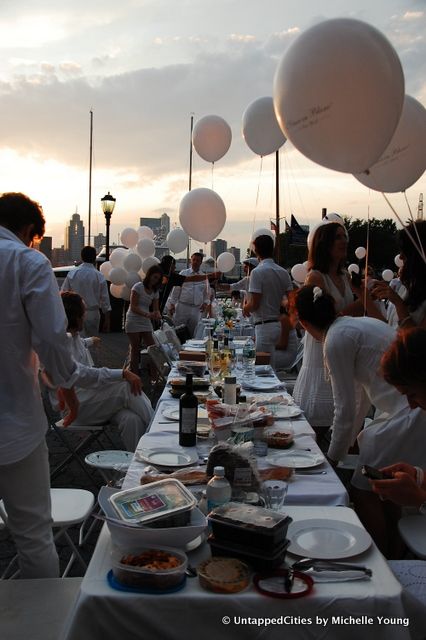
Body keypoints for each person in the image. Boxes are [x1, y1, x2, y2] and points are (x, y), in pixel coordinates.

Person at [294, 286, 426, 556]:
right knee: (388, 490)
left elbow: (345, 406)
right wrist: (346, 443)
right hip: (404, 407)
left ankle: (376, 556)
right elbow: (359, 398)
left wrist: (332, 459)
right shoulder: (352, 325)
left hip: (407, 411)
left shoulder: (336, 339)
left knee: (363, 489)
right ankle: (394, 553)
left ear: (304, 324)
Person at [0, 192, 80, 578]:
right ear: (29, 229)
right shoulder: (26, 261)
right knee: (33, 535)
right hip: (13, 422)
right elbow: (50, 338)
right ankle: (42, 613)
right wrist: (66, 384)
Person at [292, 222, 382, 431]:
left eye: (344, 237)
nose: (344, 241)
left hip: (345, 347)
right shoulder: (315, 277)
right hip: (322, 346)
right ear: (325, 244)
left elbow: (362, 316)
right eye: (338, 237)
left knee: (347, 412)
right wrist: (360, 304)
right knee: (320, 420)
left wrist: (364, 297)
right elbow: (315, 319)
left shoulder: (345, 276)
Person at [52, 292, 153, 452]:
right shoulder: (62, 342)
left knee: (131, 419)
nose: (85, 317)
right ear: (75, 317)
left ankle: (141, 461)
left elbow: (80, 345)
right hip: (73, 407)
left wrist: (90, 341)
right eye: (83, 313)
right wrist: (122, 373)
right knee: (126, 387)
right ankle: (158, 433)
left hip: (88, 399)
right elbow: (82, 374)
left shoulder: (73, 336)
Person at [243, 235, 292, 367]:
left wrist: (245, 308)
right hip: (278, 325)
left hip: (264, 326)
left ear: (256, 251)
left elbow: (255, 304)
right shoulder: (283, 272)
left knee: (262, 369)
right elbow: (291, 301)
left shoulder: (257, 272)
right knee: (270, 368)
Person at [373, 221, 426, 329]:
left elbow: (418, 338)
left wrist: (398, 303)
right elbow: (389, 328)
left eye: (405, 252)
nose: (400, 257)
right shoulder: (406, 286)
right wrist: (364, 296)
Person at [61, 245, 111, 336]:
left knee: (76, 340)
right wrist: (107, 319)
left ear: (82, 257)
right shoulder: (99, 275)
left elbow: (64, 293)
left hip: (75, 313)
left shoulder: (73, 273)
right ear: (94, 258)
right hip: (93, 313)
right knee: (92, 340)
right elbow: (105, 300)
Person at [125, 265, 163, 375]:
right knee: (135, 348)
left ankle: (154, 376)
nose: (155, 280)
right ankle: (134, 375)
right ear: (149, 275)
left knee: (153, 348)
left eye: (158, 279)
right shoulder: (138, 287)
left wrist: (158, 315)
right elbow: (133, 307)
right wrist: (147, 314)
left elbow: (156, 309)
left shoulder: (155, 291)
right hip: (133, 319)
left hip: (145, 319)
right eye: (154, 277)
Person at [168, 252, 210, 337]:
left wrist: (205, 303)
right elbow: (176, 290)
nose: (195, 262)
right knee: (178, 330)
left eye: (197, 260)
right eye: (194, 260)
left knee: (193, 332)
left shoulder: (203, 277)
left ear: (201, 262)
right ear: (191, 260)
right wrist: (172, 304)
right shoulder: (183, 273)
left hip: (196, 309)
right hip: (182, 307)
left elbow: (207, 293)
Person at [274, 300, 299, 371]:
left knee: (258, 357)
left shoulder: (284, 319)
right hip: (280, 351)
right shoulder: (277, 318)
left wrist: (267, 344)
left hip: (286, 355)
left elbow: (283, 345)